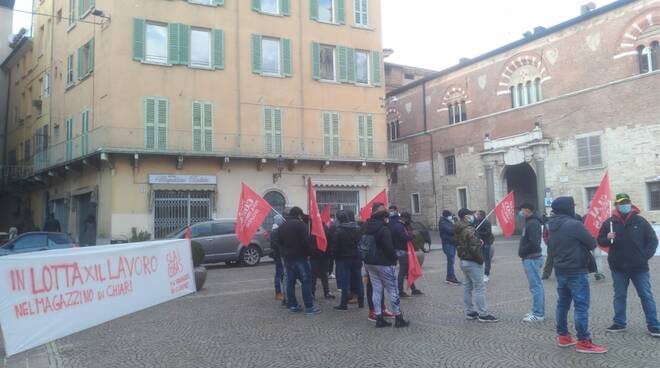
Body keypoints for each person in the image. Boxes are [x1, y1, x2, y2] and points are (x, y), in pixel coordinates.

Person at [547, 197, 606, 353]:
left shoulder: (551, 224)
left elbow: (550, 245)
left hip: (560, 269)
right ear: (568, 208)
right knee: (581, 306)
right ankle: (583, 341)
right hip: (576, 269)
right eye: (572, 206)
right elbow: (592, 243)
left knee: (562, 304)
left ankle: (563, 336)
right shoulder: (574, 224)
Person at [597, 193, 660, 337]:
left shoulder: (640, 221)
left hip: (639, 267)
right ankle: (619, 323)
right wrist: (607, 238)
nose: (624, 204)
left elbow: (652, 241)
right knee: (619, 295)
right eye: (621, 203)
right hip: (618, 267)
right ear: (616, 205)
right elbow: (600, 241)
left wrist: (644, 256)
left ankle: (654, 325)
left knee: (646, 295)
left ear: (630, 204)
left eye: (626, 202)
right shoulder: (609, 223)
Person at [363, 203, 410, 328]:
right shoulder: (384, 229)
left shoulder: (366, 226)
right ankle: (398, 317)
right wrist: (394, 259)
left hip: (369, 262)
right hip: (384, 263)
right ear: (384, 218)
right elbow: (389, 248)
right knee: (392, 289)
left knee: (376, 289)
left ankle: (379, 317)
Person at [455, 208, 498, 323]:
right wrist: (480, 260)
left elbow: (467, 243)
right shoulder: (469, 229)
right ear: (466, 217)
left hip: (464, 260)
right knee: (480, 287)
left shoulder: (459, 228)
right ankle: (483, 314)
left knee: (468, 287)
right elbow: (474, 248)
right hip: (472, 261)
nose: (473, 215)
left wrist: (478, 242)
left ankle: (470, 311)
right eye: (471, 214)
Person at [277, 207, 320, 316]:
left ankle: (293, 305)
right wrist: (311, 253)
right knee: (306, 282)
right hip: (300, 257)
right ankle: (309, 307)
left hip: (288, 258)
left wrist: (284, 254)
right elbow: (306, 242)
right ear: (299, 215)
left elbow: (279, 243)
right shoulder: (301, 225)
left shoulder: (282, 226)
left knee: (290, 282)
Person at [331, 210, 364, 311]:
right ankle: (361, 302)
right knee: (358, 280)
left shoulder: (339, 231)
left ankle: (343, 304)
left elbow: (335, 247)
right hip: (356, 257)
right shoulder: (358, 229)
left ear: (339, 220)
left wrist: (335, 256)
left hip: (344, 259)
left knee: (345, 282)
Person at [518, 203, 545, 322]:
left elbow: (534, 242)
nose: (520, 212)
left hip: (532, 258)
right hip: (530, 257)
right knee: (535, 286)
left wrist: (522, 251)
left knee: (536, 286)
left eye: (522, 210)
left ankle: (538, 313)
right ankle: (536, 310)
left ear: (527, 210)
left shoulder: (533, 223)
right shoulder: (530, 222)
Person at [388, 206, 423, 297]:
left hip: (401, 250)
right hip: (401, 250)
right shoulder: (399, 226)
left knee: (408, 270)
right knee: (403, 271)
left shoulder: (398, 225)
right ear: (405, 218)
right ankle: (400, 291)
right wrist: (412, 235)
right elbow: (404, 237)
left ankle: (413, 289)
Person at [306, 215, 335, 300]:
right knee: (323, 275)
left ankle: (312, 293)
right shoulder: (324, 229)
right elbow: (330, 241)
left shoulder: (311, 230)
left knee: (314, 276)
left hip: (316, 256)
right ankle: (326, 292)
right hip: (323, 256)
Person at [439, 210, 460, 285]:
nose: (451, 217)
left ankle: (450, 276)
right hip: (448, 244)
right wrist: (454, 224)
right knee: (451, 261)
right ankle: (450, 277)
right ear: (447, 216)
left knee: (451, 261)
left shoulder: (447, 222)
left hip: (452, 243)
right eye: (450, 215)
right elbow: (451, 231)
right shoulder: (443, 223)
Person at [270, 214, 287, 304]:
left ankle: (283, 291)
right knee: (279, 273)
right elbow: (273, 244)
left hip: (281, 254)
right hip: (279, 255)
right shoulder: (275, 231)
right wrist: (282, 248)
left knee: (282, 273)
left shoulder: (278, 229)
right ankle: (278, 292)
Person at [475, 210, 494, 283]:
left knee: (487, 259)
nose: (477, 216)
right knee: (480, 258)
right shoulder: (477, 222)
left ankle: (486, 275)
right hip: (479, 243)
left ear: (482, 216)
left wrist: (478, 232)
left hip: (486, 243)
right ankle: (481, 273)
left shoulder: (486, 222)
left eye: (478, 215)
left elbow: (488, 233)